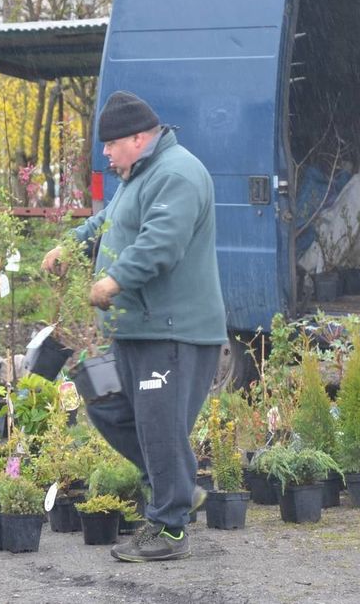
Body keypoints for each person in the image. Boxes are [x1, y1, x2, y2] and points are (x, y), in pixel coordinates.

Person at [41, 91, 226, 562]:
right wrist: (72, 245)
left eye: (110, 144)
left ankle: (169, 530)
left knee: (161, 427)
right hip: (136, 328)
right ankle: (178, 486)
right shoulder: (137, 175)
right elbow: (109, 220)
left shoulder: (179, 174)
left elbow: (161, 244)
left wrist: (113, 281)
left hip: (173, 331)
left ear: (139, 138)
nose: (104, 153)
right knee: (104, 402)